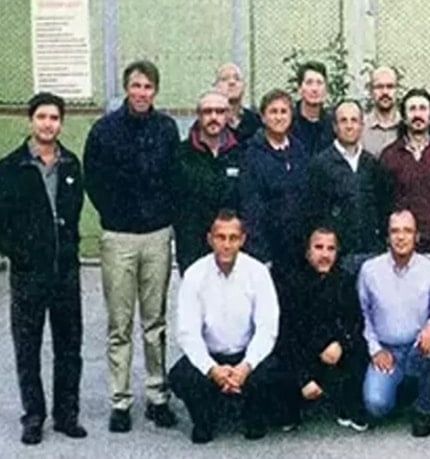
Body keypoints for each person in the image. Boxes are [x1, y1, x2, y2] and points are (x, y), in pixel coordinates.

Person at [83, 60, 179, 433]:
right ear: (127, 88)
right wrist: (114, 213)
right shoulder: (104, 130)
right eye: (136, 86)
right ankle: (120, 401)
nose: (141, 93)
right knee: (119, 324)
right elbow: (94, 178)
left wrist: (162, 214)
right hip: (118, 236)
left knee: (154, 322)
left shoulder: (166, 129)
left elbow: (173, 176)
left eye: (148, 87)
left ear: (155, 91)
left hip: (156, 235)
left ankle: (157, 395)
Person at [0, 93, 87, 445]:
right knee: (28, 347)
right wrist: (19, 254)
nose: (48, 124)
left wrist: (68, 248)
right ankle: (33, 416)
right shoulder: (10, 167)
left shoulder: (70, 164)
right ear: (30, 121)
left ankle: (67, 415)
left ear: (61, 123)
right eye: (42, 117)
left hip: (65, 271)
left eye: (54, 118)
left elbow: (75, 209)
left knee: (69, 346)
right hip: (28, 273)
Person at [169, 211, 283, 444]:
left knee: (274, 372)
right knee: (180, 376)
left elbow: (267, 328)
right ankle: (205, 418)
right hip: (212, 356)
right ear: (210, 239)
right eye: (221, 237)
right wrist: (212, 369)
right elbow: (188, 333)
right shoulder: (195, 274)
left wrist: (245, 367)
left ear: (242, 240)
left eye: (233, 238)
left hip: (245, 355)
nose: (227, 245)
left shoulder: (258, 272)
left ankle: (253, 415)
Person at [358, 210, 430, 437]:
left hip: (417, 347)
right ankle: (402, 391)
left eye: (407, 231)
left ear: (417, 236)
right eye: (395, 231)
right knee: (376, 405)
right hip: (386, 351)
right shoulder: (369, 270)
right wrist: (375, 349)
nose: (401, 237)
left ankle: (424, 408)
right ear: (387, 237)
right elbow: (363, 314)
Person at [276, 228, 367, 432]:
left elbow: (355, 320)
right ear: (308, 252)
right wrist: (304, 379)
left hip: (334, 350)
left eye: (330, 248)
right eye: (318, 247)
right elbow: (288, 333)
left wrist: (341, 344)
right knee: (282, 407)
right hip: (303, 352)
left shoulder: (345, 280)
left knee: (358, 349)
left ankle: (347, 404)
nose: (325, 254)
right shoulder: (292, 283)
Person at [305, 100, 390, 275]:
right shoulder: (320, 165)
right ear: (335, 127)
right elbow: (314, 214)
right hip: (339, 259)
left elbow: (382, 207)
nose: (349, 126)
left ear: (361, 125)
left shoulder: (372, 164)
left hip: (372, 253)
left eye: (354, 120)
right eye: (343, 121)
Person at [379, 89, 430, 265]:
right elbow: (383, 203)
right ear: (404, 117)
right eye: (412, 109)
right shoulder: (390, 155)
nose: (417, 114)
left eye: (423, 108)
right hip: (401, 249)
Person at [239, 89, 309, 271]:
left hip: (298, 249)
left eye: (284, 111)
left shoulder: (300, 151)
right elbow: (251, 208)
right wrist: (261, 255)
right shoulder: (251, 154)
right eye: (273, 112)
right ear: (263, 117)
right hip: (268, 251)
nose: (279, 117)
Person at [173, 90, 242, 272]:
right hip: (192, 249)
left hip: (231, 249)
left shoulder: (240, 153)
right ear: (198, 115)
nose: (213, 117)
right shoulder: (180, 154)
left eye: (219, 112)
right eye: (207, 111)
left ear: (228, 115)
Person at [292, 61, 334, 157]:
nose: (314, 89)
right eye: (309, 83)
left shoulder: (332, 125)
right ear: (299, 89)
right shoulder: (288, 123)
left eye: (319, 83)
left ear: (326, 89)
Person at [215, 62, 262, 142]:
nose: (232, 82)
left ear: (244, 86)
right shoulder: (209, 121)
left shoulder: (255, 121)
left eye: (237, 79)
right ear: (216, 87)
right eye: (225, 79)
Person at [362, 65, 402, 158]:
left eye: (390, 86)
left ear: (397, 90)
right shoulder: (360, 128)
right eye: (379, 87)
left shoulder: (408, 127)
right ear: (371, 91)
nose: (385, 92)